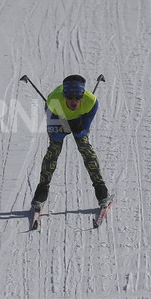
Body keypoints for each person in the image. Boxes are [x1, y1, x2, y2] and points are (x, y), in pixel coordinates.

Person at [31, 75, 110, 214]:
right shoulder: (53, 102)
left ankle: (101, 190)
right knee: (54, 148)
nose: (74, 101)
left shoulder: (91, 102)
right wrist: (63, 128)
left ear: (83, 95)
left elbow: (84, 131)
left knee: (84, 147)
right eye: (69, 96)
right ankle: (42, 190)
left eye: (78, 97)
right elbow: (54, 134)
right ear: (64, 94)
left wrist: (78, 129)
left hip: (79, 118)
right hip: (58, 116)